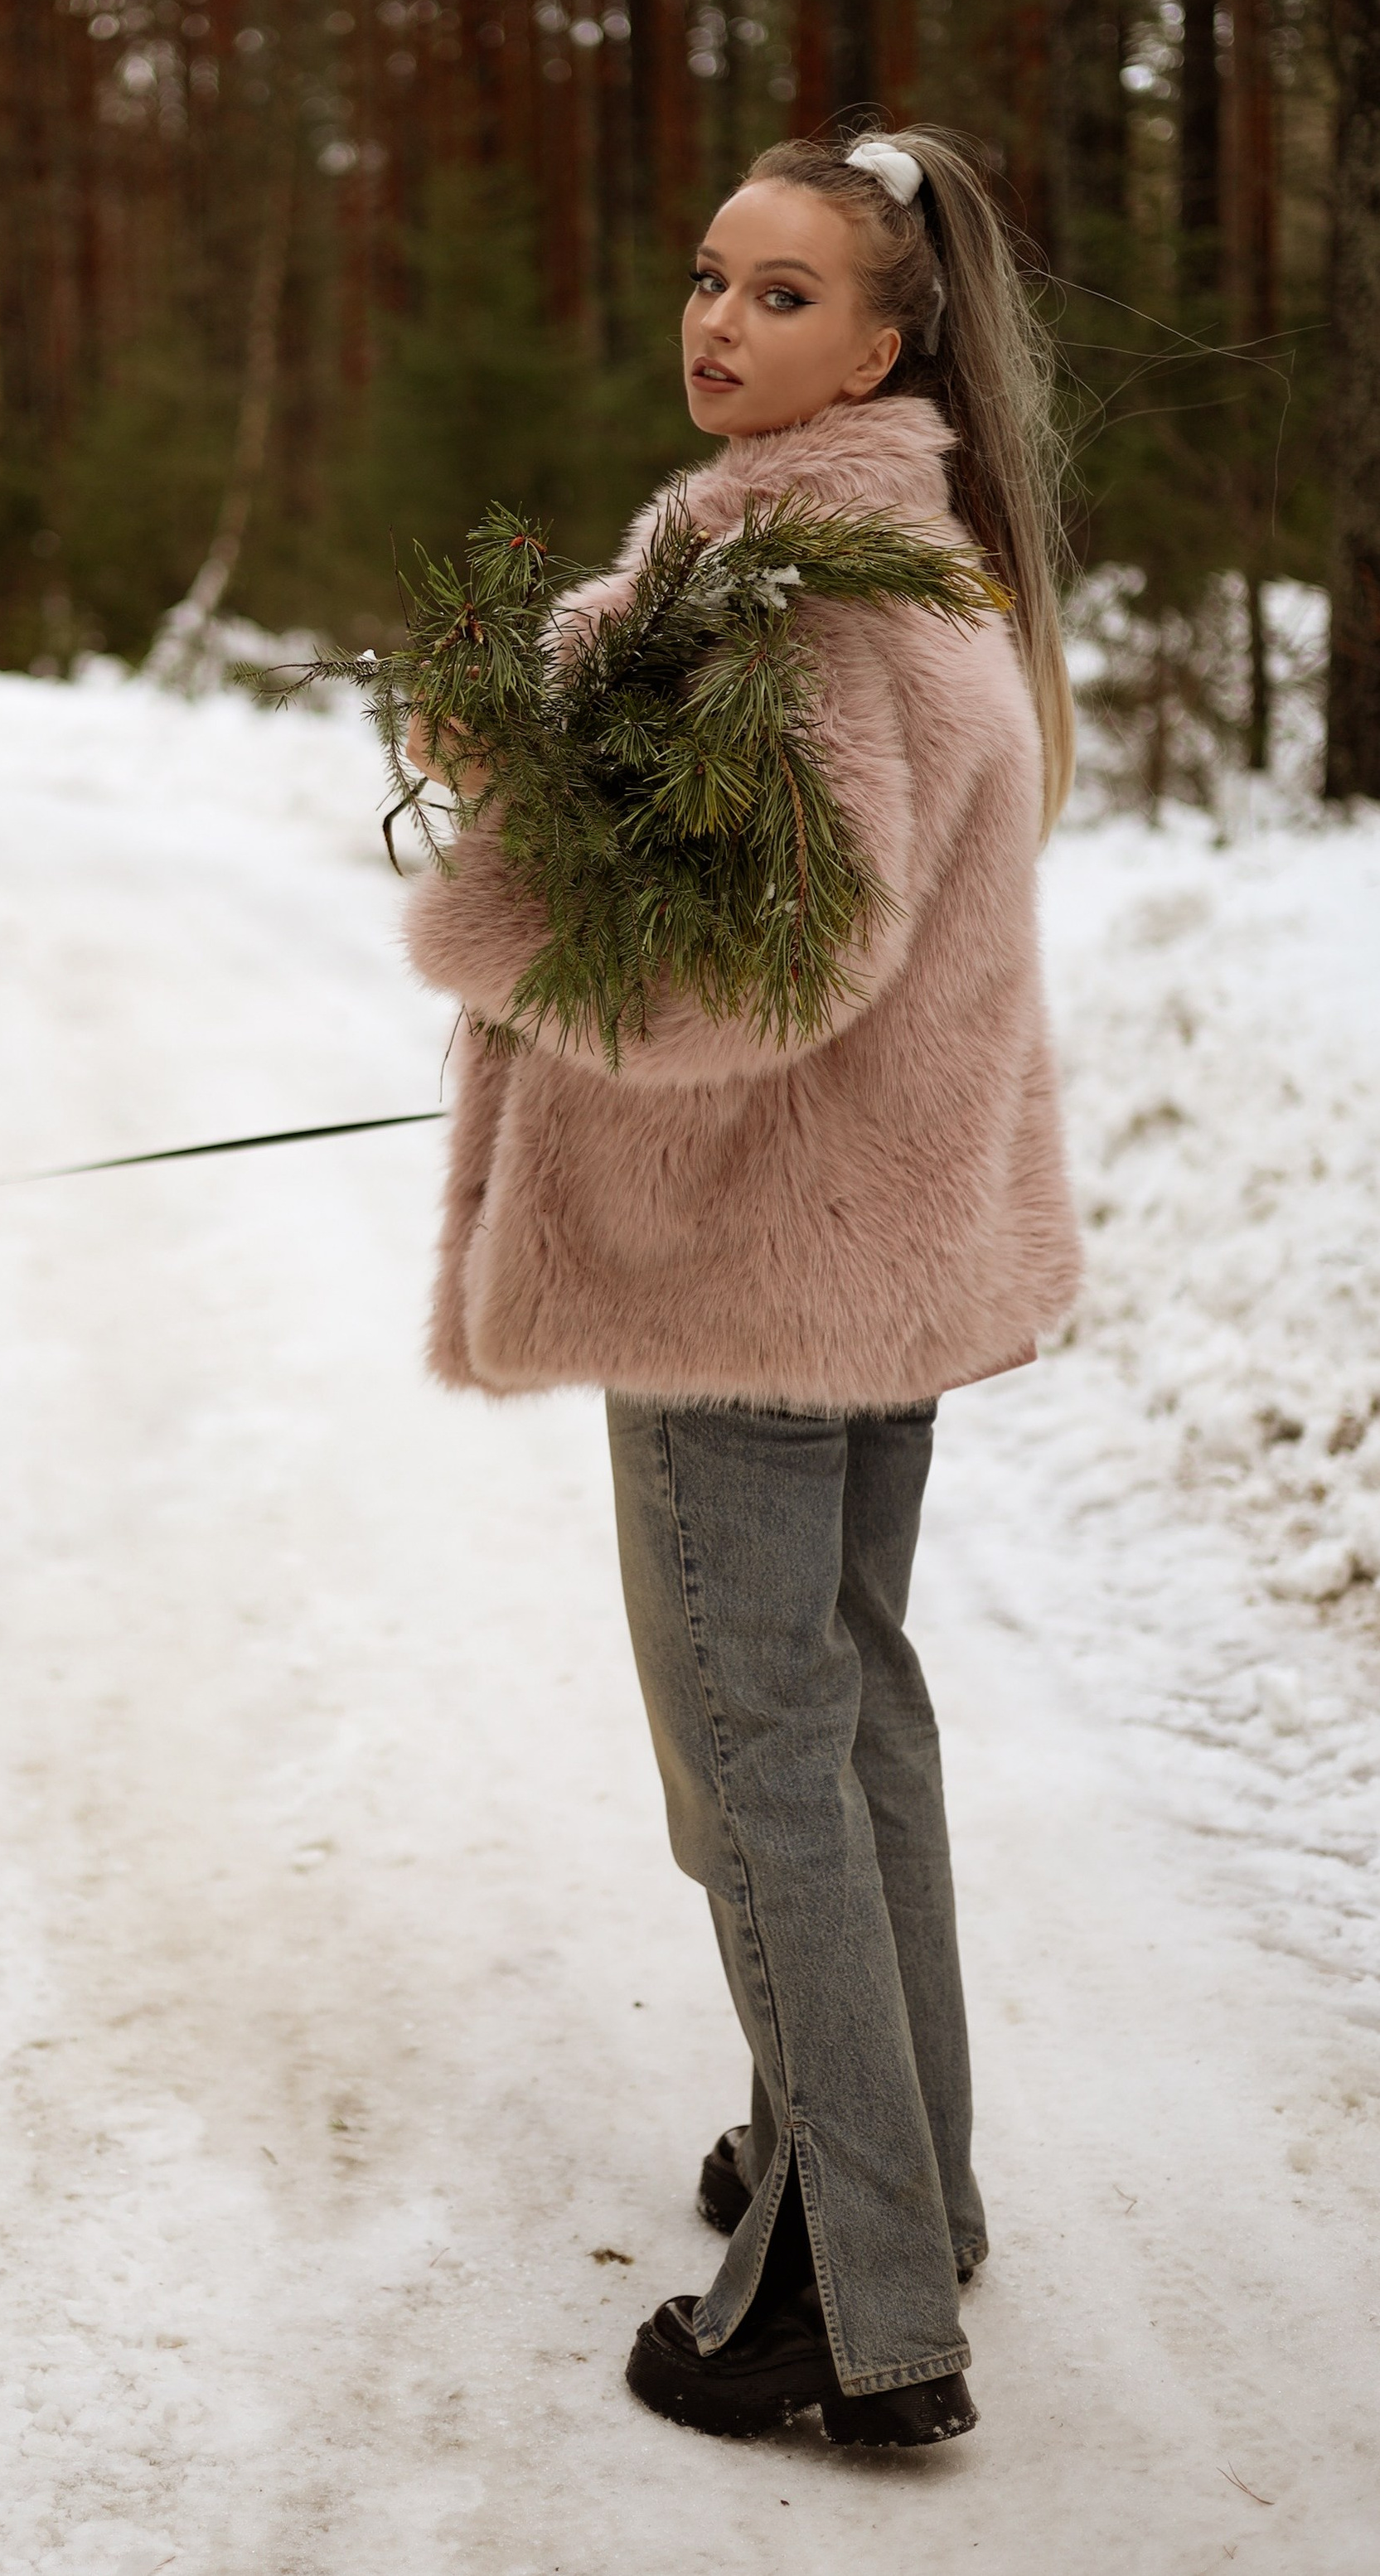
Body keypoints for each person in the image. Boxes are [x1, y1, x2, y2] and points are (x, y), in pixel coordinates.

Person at [403, 127, 1082, 2449]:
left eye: (784, 297)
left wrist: (501, 914)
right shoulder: (887, 565)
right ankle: (897, 2163)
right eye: (711, 274)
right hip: (850, 1255)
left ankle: (850, 2303)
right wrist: (542, 717)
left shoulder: (803, 596)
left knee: (760, 1764)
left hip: (743, 1271)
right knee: (850, 1716)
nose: (719, 323)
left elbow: (756, 965)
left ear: (889, 346)